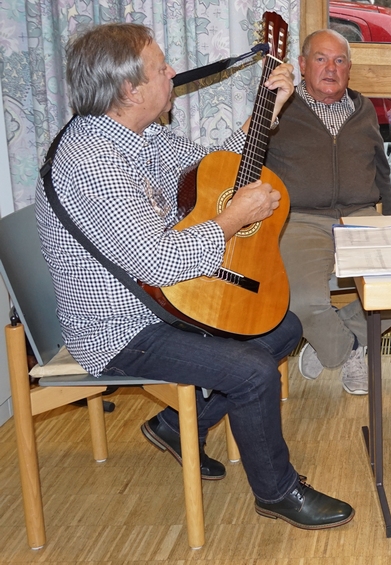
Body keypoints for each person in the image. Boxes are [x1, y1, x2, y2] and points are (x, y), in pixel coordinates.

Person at [36, 23, 353, 529]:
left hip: (163, 300)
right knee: (250, 370)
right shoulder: (93, 162)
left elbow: (214, 170)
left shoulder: (141, 136)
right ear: (130, 90)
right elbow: (157, 262)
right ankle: (277, 491)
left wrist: (261, 118)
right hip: (119, 326)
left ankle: (174, 424)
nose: (173, 73)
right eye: (161, 67)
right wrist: (230, 221)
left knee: (285, 326)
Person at [265, 29, 391, 392]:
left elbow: (382, 168)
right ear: (301, 65)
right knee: (301, 300)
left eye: (340, 60)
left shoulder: (363, 110)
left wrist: (390, 220)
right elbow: (248, 160)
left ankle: (339, 342)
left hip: (360, 214)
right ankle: (347, 350)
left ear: (349, 69)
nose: (331, 68)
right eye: (321, 58)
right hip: (299, 217)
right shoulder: (280, 107)